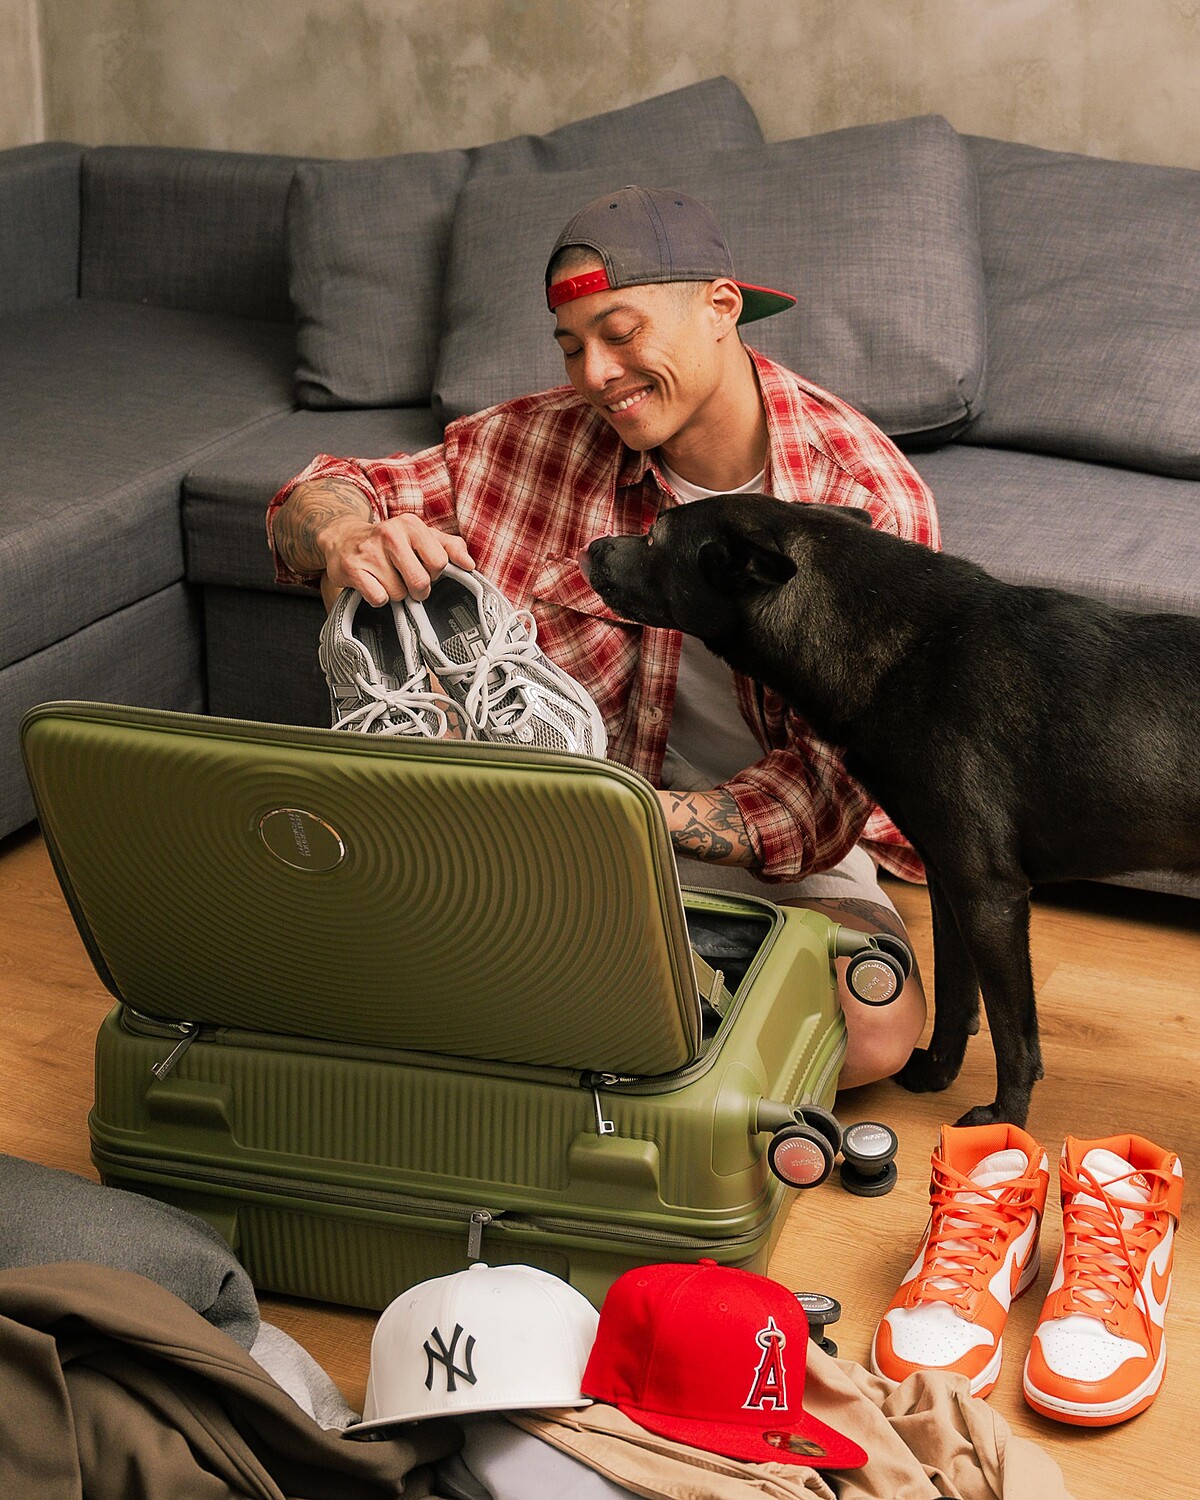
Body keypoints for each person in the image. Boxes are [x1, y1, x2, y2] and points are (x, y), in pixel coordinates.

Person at [267, 184, 940, 1089]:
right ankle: (580, 994)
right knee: (288, 953)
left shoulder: (864, 504)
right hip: (524, 838)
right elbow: (321, 489)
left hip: (729, 847)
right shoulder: (528, 442)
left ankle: (535, 994)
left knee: (871, 1028)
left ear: (722, 308)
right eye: (571, 345)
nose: (594, 374)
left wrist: (608, 816)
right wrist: (346, 534)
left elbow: (823, 798)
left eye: (621, 335)